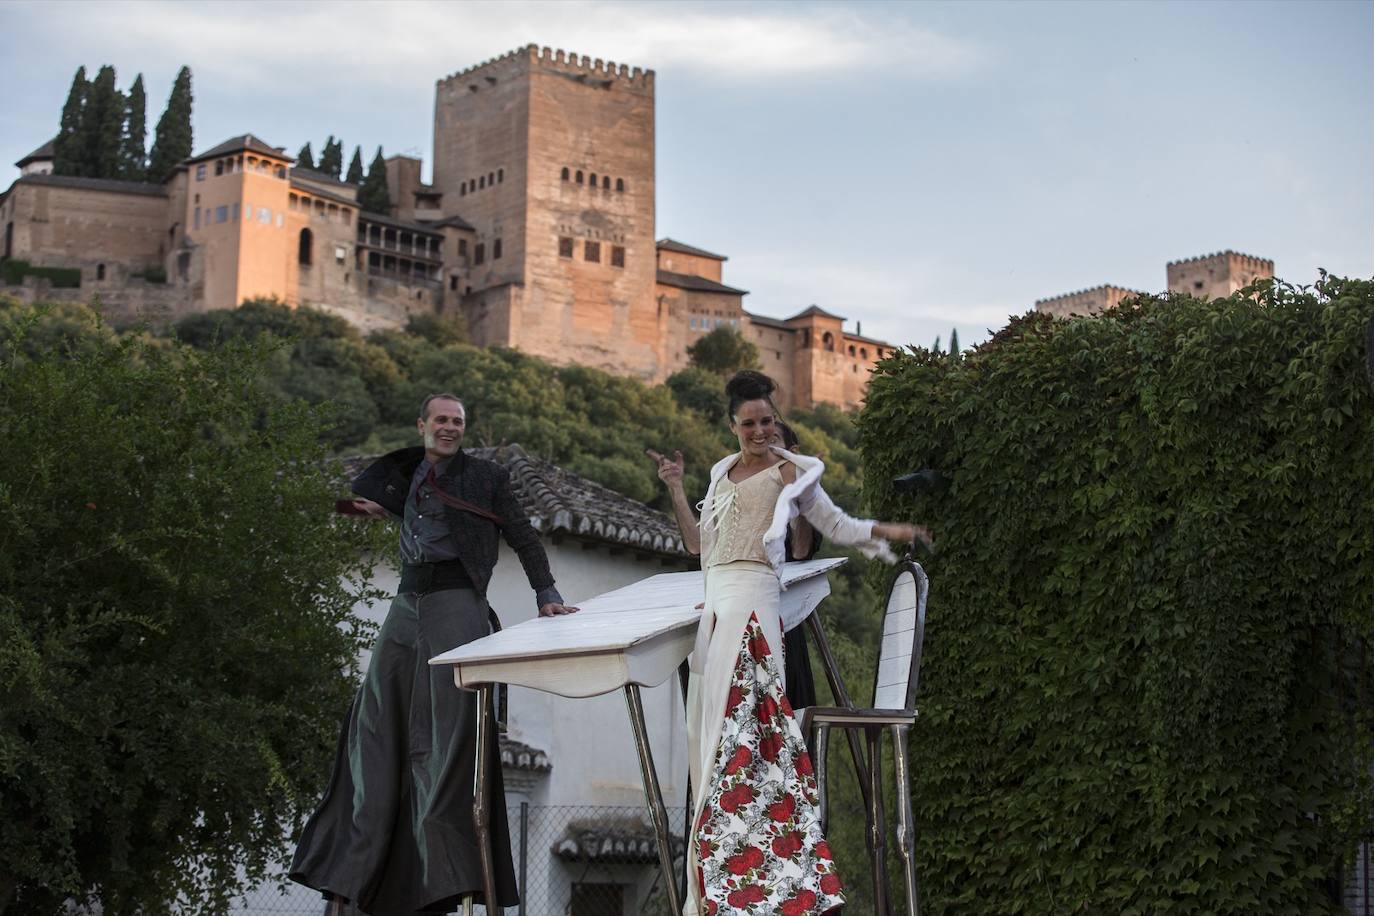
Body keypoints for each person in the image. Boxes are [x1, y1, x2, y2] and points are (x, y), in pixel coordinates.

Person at [647, 370, 927, 916]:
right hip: (716, 611)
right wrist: (677, 489)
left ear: (778, 420)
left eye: (767, 420)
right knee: (709, 746)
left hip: (755, 606)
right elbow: (699, 545)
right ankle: (721, 886)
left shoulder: (791, 473)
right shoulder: (720, 473)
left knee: (749, 736)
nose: (758, 430)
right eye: (749, 423)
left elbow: (837, 524)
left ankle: (777, 881)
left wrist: (887, 531)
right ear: (733, 426)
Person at [290, 393, 577, 916]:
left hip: (455, 601)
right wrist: (372, 507)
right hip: (406, 601)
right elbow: (388, 507)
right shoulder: (404, 474)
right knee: (373, 723)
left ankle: (438, 871)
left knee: (445, 734)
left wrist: (547, 594)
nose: (449, 428)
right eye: (441, 420)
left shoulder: (485, 478)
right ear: (422, 424)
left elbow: (521, 535)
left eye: (458, 422)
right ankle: (359, 865)